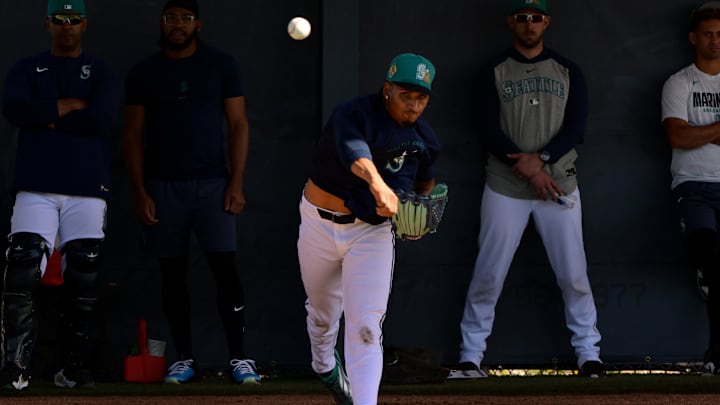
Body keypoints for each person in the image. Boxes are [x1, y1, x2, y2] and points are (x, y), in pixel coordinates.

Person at [448, 0, 603, 379]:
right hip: (506, 185)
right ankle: (471, 355)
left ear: (546, 22)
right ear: (511, 22)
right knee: (489, 273)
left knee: (574, 275)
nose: (529, 24)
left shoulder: (567, 70)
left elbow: (577, 126)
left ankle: (589, 354)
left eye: (536, 18)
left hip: (559, 184)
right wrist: (530, 168)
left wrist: (543, 159)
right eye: (523, 18)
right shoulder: (492, 71)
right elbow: (486, 128)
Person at [123, 0, 259, 385]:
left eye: (185, 18)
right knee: (172, 274)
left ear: (198, 24)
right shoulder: (144, 73)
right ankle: (184, 359)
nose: (178, 25)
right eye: (171, 19)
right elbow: (132, 135)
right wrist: (140, 191)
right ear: (162, 24)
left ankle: (240, 359)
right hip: (163, 188)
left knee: (225, 271)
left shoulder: (221, 65)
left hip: (214, 186)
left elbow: (238, 125)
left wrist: (236, 183)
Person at [298, 53, 440, 405]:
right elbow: (352, 150)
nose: (414, 104)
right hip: (320, 222)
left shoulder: (425, 139)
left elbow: (425, 185)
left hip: (371, 234)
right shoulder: (355, 112)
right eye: (406, 94)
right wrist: (378, 183)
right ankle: (325, 366)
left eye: (421, 97)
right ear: (387, 88)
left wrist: (416, 217)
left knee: (365, 328)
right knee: (322, 315)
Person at [0, 0, 120, 390]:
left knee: (84, 275)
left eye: (73, 19)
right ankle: (15, 369)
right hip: (36, 184)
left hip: (87, 186)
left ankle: (72, 369)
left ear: (84, 24)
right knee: (23, 267)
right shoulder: (26, 67)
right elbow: (16, 109)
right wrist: (66, 106)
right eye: (59, 19)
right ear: (47, 23)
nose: (66, 26)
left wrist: (46, 117)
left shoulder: (101, 70)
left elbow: (101, 119)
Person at [661, 1, 720, 376]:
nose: (715, 40)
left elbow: (692, 132)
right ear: (693, 38)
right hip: (694, 186)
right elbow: (678, 136)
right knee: (711, 258)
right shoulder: (680, 81)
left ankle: (715, 355)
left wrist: (703, 133)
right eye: (708, 34)